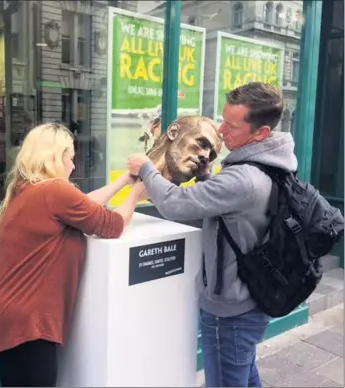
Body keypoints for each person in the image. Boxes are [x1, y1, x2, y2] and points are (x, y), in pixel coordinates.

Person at [127, 82, 298, 387]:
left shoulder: (243, 178)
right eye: (222, 120)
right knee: (244, 376)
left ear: (260, 134)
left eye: (231, 126)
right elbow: (232, 208)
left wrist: (146, 171)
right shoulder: (273, 164)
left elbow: (175, 203)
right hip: (254, 298)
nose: (221, 130)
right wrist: (206, 179)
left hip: (231, 312)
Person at [0, 122, 146, 387]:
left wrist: (125, 180)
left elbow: (84, 206)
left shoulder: (30, 187)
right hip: (25, 321)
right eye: (70, 158)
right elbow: (112, 225)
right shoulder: (55, 190)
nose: (73, 165)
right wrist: (137, 194)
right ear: (56, 158)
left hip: (7, 313)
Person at [146, 115, 222, 185]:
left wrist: (204, 178)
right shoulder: (136, 174)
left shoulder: (183, 196)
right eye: (201, 143)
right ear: (173, 132)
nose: (206, 157)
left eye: (211, 155)